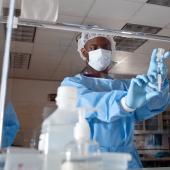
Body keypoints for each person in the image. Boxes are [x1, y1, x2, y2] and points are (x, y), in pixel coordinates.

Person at [61, 31, 170, 168]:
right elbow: (89, 104)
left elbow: (151, 105)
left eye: (105, 47)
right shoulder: (72, 84)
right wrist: (124, 103)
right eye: (93, 48)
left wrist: (157, 84)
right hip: (90, 161)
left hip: (127, 161)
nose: (101, 52)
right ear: (84, 52)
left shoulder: (125, 86)